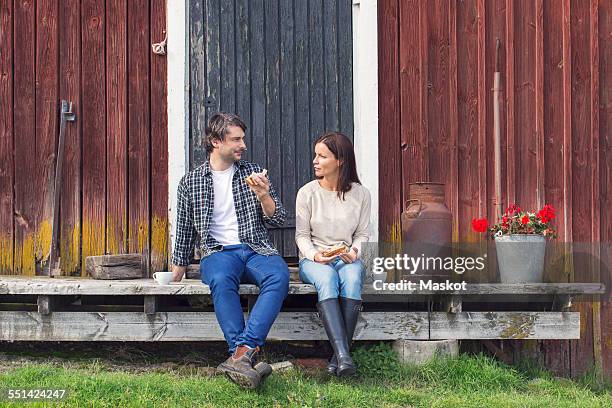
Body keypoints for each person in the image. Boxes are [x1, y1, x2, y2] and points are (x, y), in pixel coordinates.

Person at [171, 112, 289, 388]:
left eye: (243, 138)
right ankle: (243, 355)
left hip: (255, 249)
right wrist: (177, 268)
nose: (243, 145)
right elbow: (185, 228)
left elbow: (278, 218)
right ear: (215, 141)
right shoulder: (190, 182)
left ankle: (240, 354)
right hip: (218, 253)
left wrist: (264, 196)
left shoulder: (253, 173)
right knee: (221, 279)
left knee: (279, 276)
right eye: (236, 139)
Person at [295, 131, 371, 377]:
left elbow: (362, 234)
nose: (315, 161)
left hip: (347, 257)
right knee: (327, 279)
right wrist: (315, 256)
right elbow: (301, 236)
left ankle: (338, 357)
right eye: (315, 155)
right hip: (315, 259)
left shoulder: (361, 194)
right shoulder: (307, 193)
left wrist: (355, 252)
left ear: (340, 161)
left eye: (322, 156)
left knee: (351, 278)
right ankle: (344, 356)